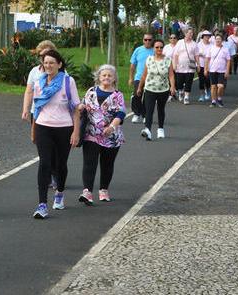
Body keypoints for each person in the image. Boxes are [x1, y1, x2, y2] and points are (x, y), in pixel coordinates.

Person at [30, 49, 82, 218]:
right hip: (43, 127)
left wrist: (76, 131)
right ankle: (42, 204)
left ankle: (59, 192)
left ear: (59, 64)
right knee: (44, 163)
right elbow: (36, 108)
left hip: (64, 128)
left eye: (52, 63)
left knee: (60, 164)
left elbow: (75, 108)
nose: (48, 66)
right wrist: (33, 130)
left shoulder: (68, 82)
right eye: (45, 63)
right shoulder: (39, 82)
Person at [76, 65, 126, 205]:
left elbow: (121, 113)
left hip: (111, 136)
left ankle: (104, 190)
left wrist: (111, 126)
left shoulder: (118, 95)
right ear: (98, 77)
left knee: (107, 164)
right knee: (89, 163)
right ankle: (87, 192)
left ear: (114, 78)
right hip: (91, 133)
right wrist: (80, 107)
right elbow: (82, 104)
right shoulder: (91, 92)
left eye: (109, 75)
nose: (106, 78)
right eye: (104, 75)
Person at [22, 40, 59, 188]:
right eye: (42, 56)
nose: (45, 59)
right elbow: (29, 91)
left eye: (49, 55)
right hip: (37, 113)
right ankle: (48, 174)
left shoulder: (61, 73)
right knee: (42, 145)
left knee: (55, 146)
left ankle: (56, 174)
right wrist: (25, 108)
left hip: (56, 115)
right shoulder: (34, 72)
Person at [137, 39, 176, 140]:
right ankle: (148, 130)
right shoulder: (149, 59)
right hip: (150, 89)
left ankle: (160, 129)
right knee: (149, 110)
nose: (159, 49)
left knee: (160, 109)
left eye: (161, 47)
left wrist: (172, 86)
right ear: (153, 48)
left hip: (163, 89)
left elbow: (171, 75)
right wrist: (140, 87)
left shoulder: (168, 60)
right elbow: (144, 75)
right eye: (157, 47)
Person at [128, 33, 154, 123]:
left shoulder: (155, 51)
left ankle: (145, 115)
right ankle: (136, 113)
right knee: (136, 95)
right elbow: (132, 65)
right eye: (145, 39)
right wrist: (131, 78)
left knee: (148, 98)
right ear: (143, 40)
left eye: (149, 40)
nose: (147, 41)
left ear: (152, 40)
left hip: (151, 78)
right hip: (138, 77)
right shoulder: (138, 50)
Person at [204, 34, 231, 108]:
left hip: (222, 71)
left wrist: (227, 70)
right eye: (216, 39)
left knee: (221, 86)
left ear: (222, 40)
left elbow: (228, 60)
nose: (218, 40)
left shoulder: (225, 49)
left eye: (219, 39)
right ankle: (213, 101)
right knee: (213, 87)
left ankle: (219, 98)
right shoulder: (211, 48)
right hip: (212, 70)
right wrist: (206, 69)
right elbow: (207, 59)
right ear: (215, 40)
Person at [173, 28, 198, 105]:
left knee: (188, 82)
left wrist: (198, 64)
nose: (190, 35)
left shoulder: (194, 44)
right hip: (180, 66)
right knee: (179, 82)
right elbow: (176, 54)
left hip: (191, 66)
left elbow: (196, 55)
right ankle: (180, 91)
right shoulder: (180, 42)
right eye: (189, 33)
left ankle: (186, 97)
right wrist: (175, 64)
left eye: (192, 33)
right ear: (185, 34)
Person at [196, 31, 213, 102]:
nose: (207, 37)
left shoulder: (212, 45)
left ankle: (208, 90)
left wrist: (206, 56)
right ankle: (202, 95)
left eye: (208, 36)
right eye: (205, 36)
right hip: (200, 64)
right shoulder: (198, 44)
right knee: (201, 80)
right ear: (202, 37)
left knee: (207, 80)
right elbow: (196, 54)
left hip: (209, 65)